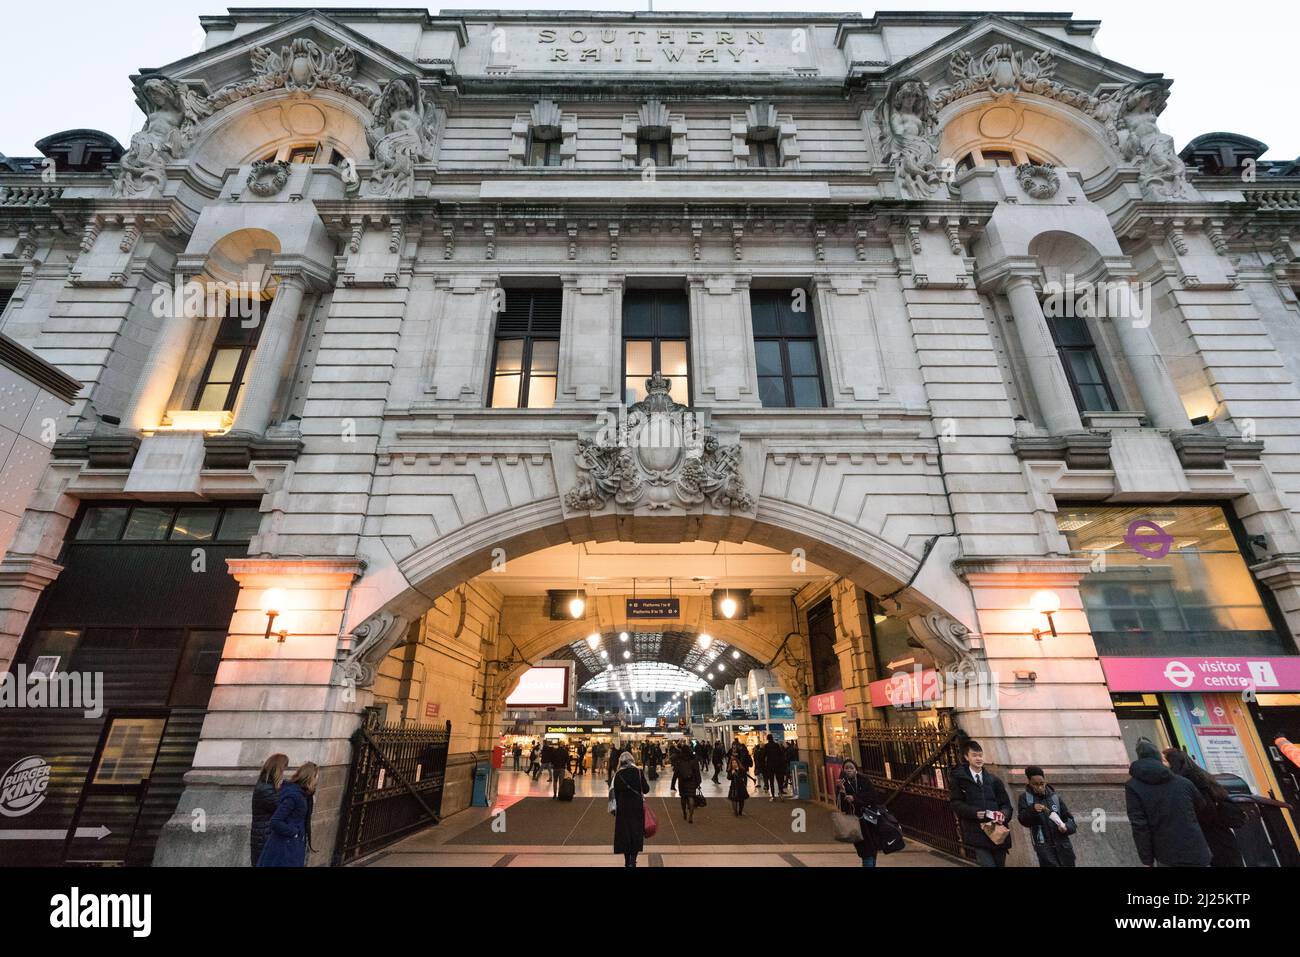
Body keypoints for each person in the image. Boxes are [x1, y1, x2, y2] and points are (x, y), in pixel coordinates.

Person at [1126, 739, 1211, 867]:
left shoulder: (1133, 786)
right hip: (1196, 850)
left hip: (1167, 854)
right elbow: (1201, 806)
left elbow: (1139, 825)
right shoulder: (1183, 782)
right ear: (1158, 758)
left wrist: (1146, 860)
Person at [1166, 747, 1246, 867]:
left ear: (1174, 764)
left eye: (1164, 761)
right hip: (1222, 839)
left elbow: (1207, 811)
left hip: (1213, 842)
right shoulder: (1202, 776)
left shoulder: (1191, 781)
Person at [949, 739, 1014, 867]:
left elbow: (1007, 805)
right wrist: (973, 812)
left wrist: (1003, 814)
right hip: (976, 831)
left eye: (980, 755)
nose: (978, 758)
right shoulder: (959, 779)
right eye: (974, 755)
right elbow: (955, 803)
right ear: (966, 757)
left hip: (997, 832)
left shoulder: (994, 780)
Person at [256, 761, 317, 867]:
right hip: (286, 846)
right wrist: (294, 832)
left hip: (293, 844)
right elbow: (275, 821)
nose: (317, 780)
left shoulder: (303, 795)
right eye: (316, 777)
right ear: (310, 777)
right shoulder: (294, 796)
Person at [1016, 766, 1077, 867]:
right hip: (1044, 848)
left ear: (1045, 781)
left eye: (1041, 783)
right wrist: (1032, 810)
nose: (1039, 787)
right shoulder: (1025, 798)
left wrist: (1066, 827)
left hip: (1064, 848)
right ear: (1029, 783)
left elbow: (1071, 821)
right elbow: (1023, 820)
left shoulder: (1055, 797)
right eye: (1035, 784)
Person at [836, 758, 882, 867]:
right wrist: (841, 790)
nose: (849, 770)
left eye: (851, 768)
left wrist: (855, 798)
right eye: (846, 768)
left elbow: (872, 797)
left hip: (869, 820)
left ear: (856, 769)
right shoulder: (843, 784)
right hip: (855, 822)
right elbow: (841, 806)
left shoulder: (864, 780)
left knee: (871, 848)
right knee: (865, 850)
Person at [612, 751, 651, 867]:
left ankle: (626, 860)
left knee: (625, 834)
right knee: (636, 833)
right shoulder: (638, 772)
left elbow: (615, 793)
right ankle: (633, 860)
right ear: (632, 760)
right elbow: (646, 789)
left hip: (623, 808)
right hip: (636, 807)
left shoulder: (618, 774)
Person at [250, 752, 288, 867]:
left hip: (266, 836)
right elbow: (282, 809)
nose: (284, 773)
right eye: (284, 768)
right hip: (264, 838)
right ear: (278, 769)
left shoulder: (268, 785)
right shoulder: (266, 788)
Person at [673, 743, 702, 823]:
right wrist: (698, 783)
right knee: (691, 797)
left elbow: (676, 772)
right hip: (692, 781)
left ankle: (684, 812)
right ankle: (691, 816)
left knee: (683, 797)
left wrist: (673, 784)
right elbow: (697, 772)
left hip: (682, 781)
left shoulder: (679, 760)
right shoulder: (694, 760)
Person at [761, 734, 787, 801]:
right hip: (778, 765)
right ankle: (780, 793)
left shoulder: (766, 746)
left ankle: (773, 796)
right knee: (779, 780)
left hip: (770, 765)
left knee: (771, 781)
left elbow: (763, 756)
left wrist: (763, 764)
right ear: (772, 738)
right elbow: (781, 754)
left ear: (767, 739)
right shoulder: (776, 745)